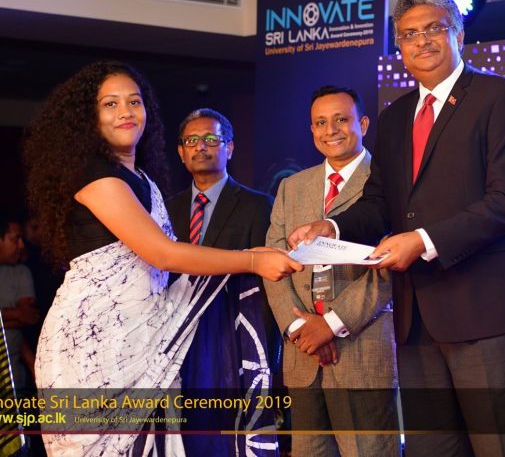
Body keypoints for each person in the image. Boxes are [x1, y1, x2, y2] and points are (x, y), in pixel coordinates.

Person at [289, 0, 505, 456]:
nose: (422, 41)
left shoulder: (501, 97)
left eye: (434, 28)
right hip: (417, 320)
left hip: (489, 312)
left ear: (458, 34)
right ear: (399, 47)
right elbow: (379, 202)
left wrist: (423, 239)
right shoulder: (395, 118)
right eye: (409, 34)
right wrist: (332, 227)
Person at [23, 61, 301, 456]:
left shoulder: (144, 179)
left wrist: (251, 254)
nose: (125, 112)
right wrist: (251, 262)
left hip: (145, 339)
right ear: (89, 116)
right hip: (95, 344)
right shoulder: (94, 176)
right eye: (110, 104)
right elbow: (163, 255)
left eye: (134, 101)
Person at [264, 85, 399, 457]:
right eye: (320, 123)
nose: (331, 130)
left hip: (362, 349)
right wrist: (299, 328)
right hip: (303, 354)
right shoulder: (291, 187)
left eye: (341, 119)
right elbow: (273, 261)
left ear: (363, 124)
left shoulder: (389, 182)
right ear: (311, 130)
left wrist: (331, 324)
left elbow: (389, 267)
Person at [167, 107, 279, 455]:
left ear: (229, 148)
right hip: (174, 344)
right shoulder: (165, 210)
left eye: (211, 139)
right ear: (181, 152)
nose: (201, 146)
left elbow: (267, 288)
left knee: (228, 439)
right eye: (192, 141)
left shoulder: (258, 207)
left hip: (231, 344)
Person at [0, 216, 39, 392]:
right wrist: (15, 313)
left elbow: (29, 317)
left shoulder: (21, 272)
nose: (21, 245)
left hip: (14, 380)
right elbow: (21, 315)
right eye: (16, 239)